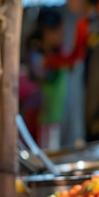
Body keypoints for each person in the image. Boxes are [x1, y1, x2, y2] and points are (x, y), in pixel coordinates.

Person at [63, 0, 99, 143]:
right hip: (92, 82)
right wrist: (50, 60)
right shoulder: (82, 24)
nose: (69, 3)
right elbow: (75, 56)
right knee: (93, 126)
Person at [25, 8, 70, 151]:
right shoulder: (37, 56)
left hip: (56, 114)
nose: (63, 33)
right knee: (44, 153)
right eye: (59, 30)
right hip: (40, 116)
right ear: (47, 31)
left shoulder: (59, 52)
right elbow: (46, 76)